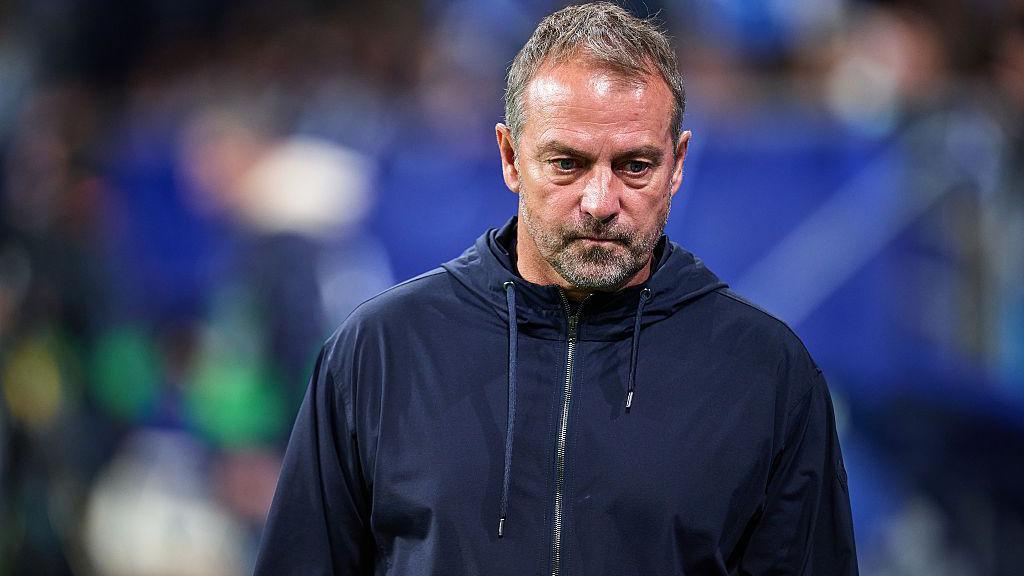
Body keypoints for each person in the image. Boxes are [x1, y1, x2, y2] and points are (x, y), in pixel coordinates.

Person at [254, 3, 858, 575]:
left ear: (677, 165)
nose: (600, 203)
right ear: (511, 157)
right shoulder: (377, 352)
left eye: (635, 166)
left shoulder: (767, 374)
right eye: (567, 164)